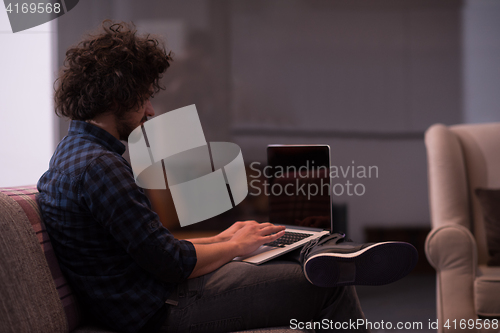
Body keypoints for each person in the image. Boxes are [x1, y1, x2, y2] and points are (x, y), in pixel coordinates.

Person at [37, 20, 413, 333]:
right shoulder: (99, 167)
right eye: (144, 98)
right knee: (327, 286)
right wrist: (233, 247)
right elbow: (170, 263)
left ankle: (322, 247)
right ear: (118, 96)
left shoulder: (73, 155)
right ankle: (329, 251)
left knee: (268, 248)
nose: (150, 111)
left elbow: (149, 247)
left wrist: (224, 238)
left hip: (149, 296)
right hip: (160, 309)